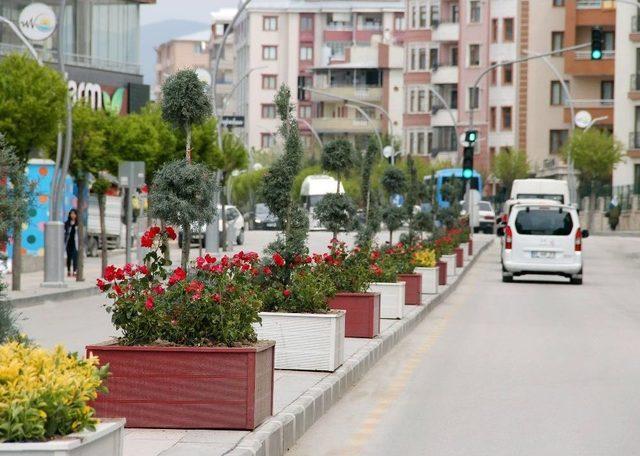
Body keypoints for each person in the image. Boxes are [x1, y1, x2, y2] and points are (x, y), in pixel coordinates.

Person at [64, 209, 78, 277]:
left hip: (75, 243)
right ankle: (69, 271)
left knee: (75, 257)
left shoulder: (78, 223)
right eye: (71, 214)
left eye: (74, 214)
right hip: (68, 242)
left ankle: (75, 271)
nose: (73, 215)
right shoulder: (67, 223)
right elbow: (65, 232)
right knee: (69, 257)